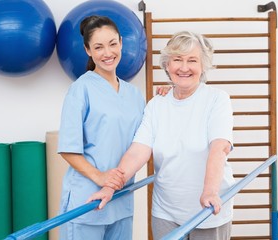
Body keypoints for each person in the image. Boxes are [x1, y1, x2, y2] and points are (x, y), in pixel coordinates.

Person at [88, 31, 235, 240]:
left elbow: (219, 148)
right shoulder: (157, 105)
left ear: (203, 66)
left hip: (208, 211)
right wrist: (110, 186)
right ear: (167, 65)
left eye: (192, 60)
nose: (184, 67)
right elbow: (138, 151)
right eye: (177, 60)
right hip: (166, 212)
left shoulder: (217, 100)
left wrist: (211, 191)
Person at [57, 15, 145, 240]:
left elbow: (144, 141)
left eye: (113, 44)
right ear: (88, 50)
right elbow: (68, 148)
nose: (108, 53)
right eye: (98, 47)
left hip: (121, 199)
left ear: (121, 43)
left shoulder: (134, 95)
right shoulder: (80, 90)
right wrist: (99, 177)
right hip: (87, 199)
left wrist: (167, 96)